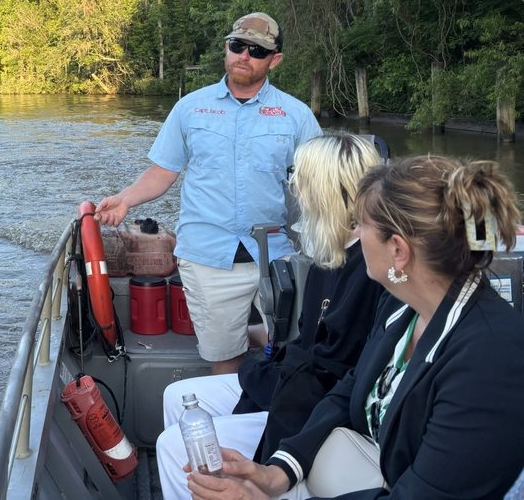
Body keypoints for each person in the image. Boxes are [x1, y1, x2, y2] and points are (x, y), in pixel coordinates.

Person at [185, 155, 524, 500]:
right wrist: (278, 471)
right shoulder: (404, 309)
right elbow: (350, 388)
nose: (356, 234)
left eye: (361, 225)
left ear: (398, 250)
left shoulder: (490, 359)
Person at [155, 132, 384, 500]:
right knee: (178, 395)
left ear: (322, 190)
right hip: (296, 384)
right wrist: (259, 364)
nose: (294, 189)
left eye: (299, 180)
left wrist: (253, 371)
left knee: (174, 446)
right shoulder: (332, 257)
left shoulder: (372, 271)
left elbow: (328, 375)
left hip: (313, 408)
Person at [96, 12, 321, 374]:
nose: (244, 56)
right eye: (237, 46)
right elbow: (163, 171)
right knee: (223, 357)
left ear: (274, 60)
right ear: (226, 49)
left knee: (294, 353)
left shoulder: (296, 116)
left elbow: (319, 184)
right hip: (206, 257)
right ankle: (232, 421)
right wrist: (124, 199)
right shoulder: (190, 108)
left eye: (257, 51)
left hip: (278, 257)